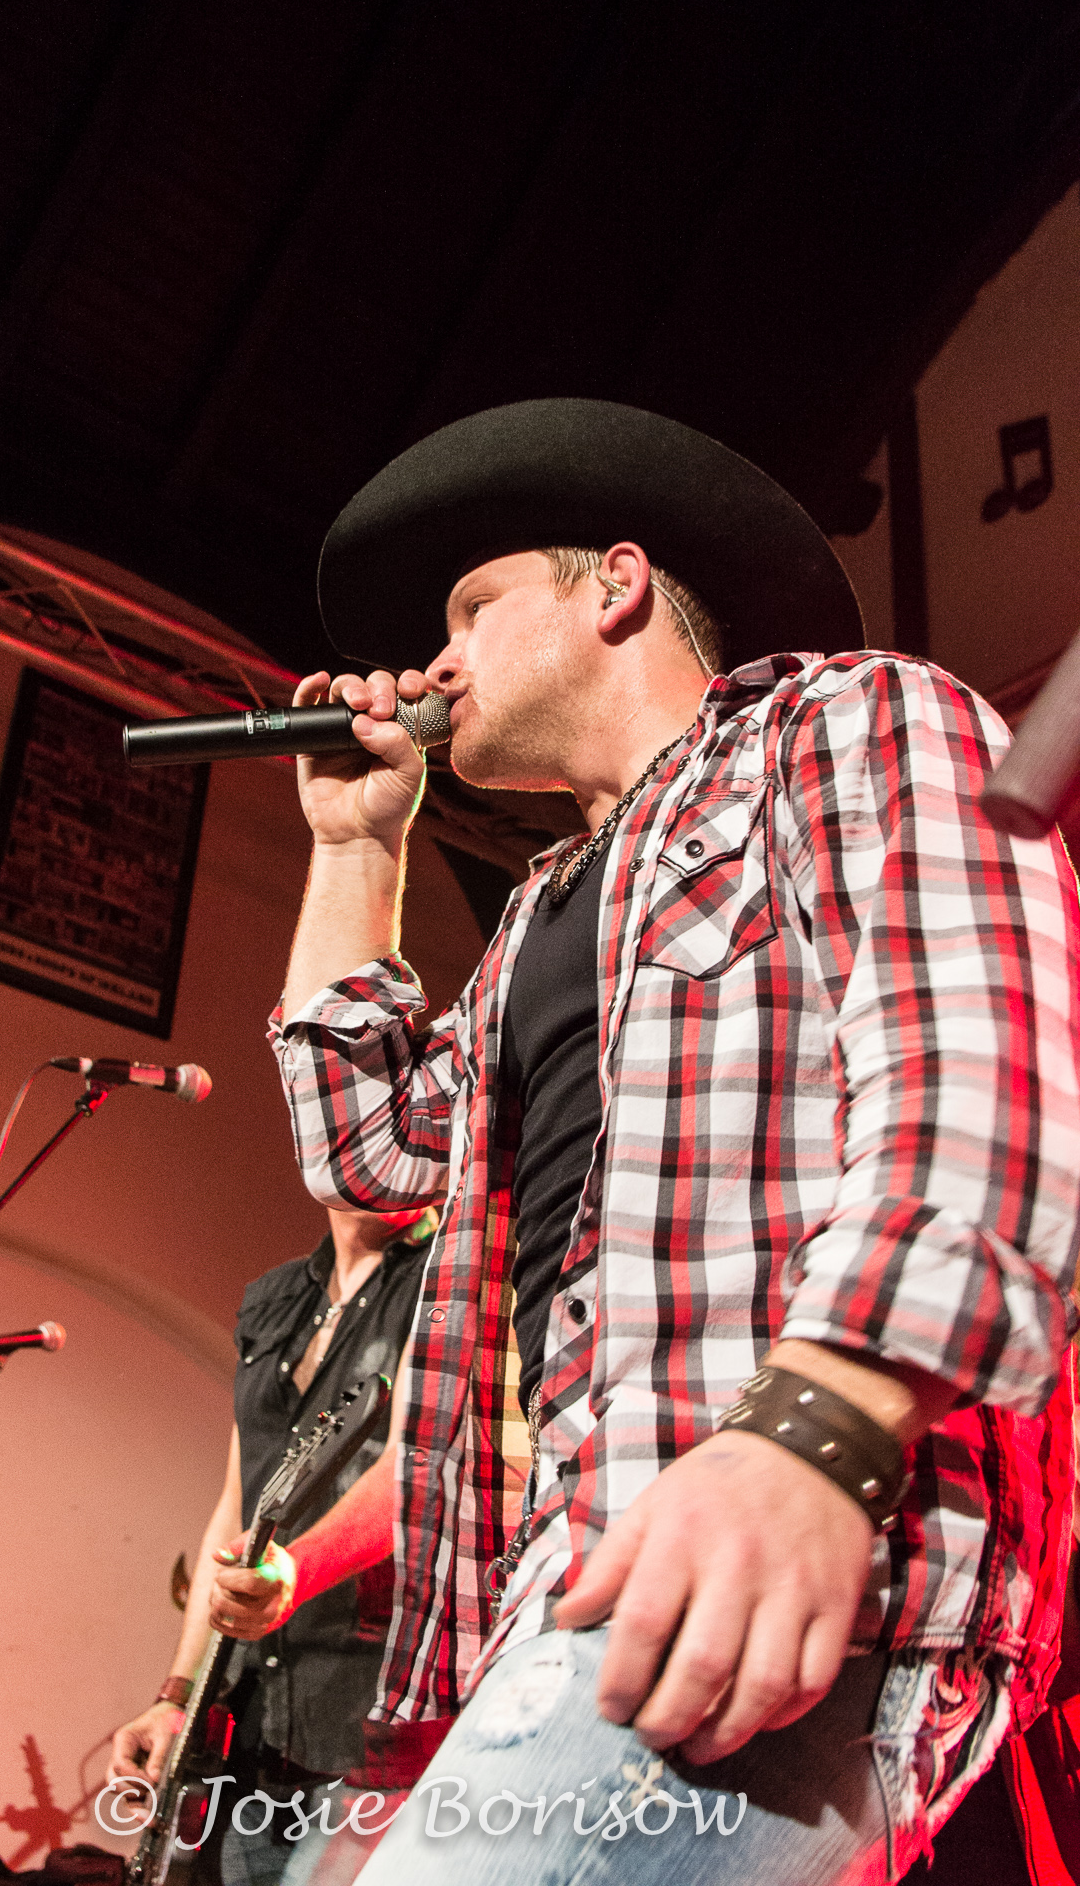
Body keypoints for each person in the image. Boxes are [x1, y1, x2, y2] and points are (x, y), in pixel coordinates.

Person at [266, 399, 1080, 1885]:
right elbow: (370, 1154)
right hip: (581, 1573)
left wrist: (818, 1433)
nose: (433, 662)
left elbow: (984, 1068)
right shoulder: (537, 919)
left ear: (617, 587)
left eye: (472, 607)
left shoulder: (847, 719)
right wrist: (353, 844)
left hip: (790, 1532)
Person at [108, 1201, 433, 1884]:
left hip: (367, 1716)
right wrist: (178, 1696)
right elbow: (236, 1507)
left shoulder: (445, 1277)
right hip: (252, 1721)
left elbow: (412, 1471)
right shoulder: (276, 1298)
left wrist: (295, 1572)